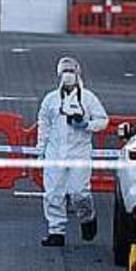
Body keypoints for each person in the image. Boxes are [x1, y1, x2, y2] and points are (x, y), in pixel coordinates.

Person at [36, 56, 108, 247]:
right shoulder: (50, 100)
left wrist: (86, 125)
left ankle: (87, 218)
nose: (68, 75)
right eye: (64, 71)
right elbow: (43, 125)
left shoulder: (89, 99)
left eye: (71, 71)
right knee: (53, 193)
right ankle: (56, 231)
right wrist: (41, 149)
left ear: (78, 74)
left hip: (79, 152)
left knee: (79, 192)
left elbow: (103, 121)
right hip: (55, 152)